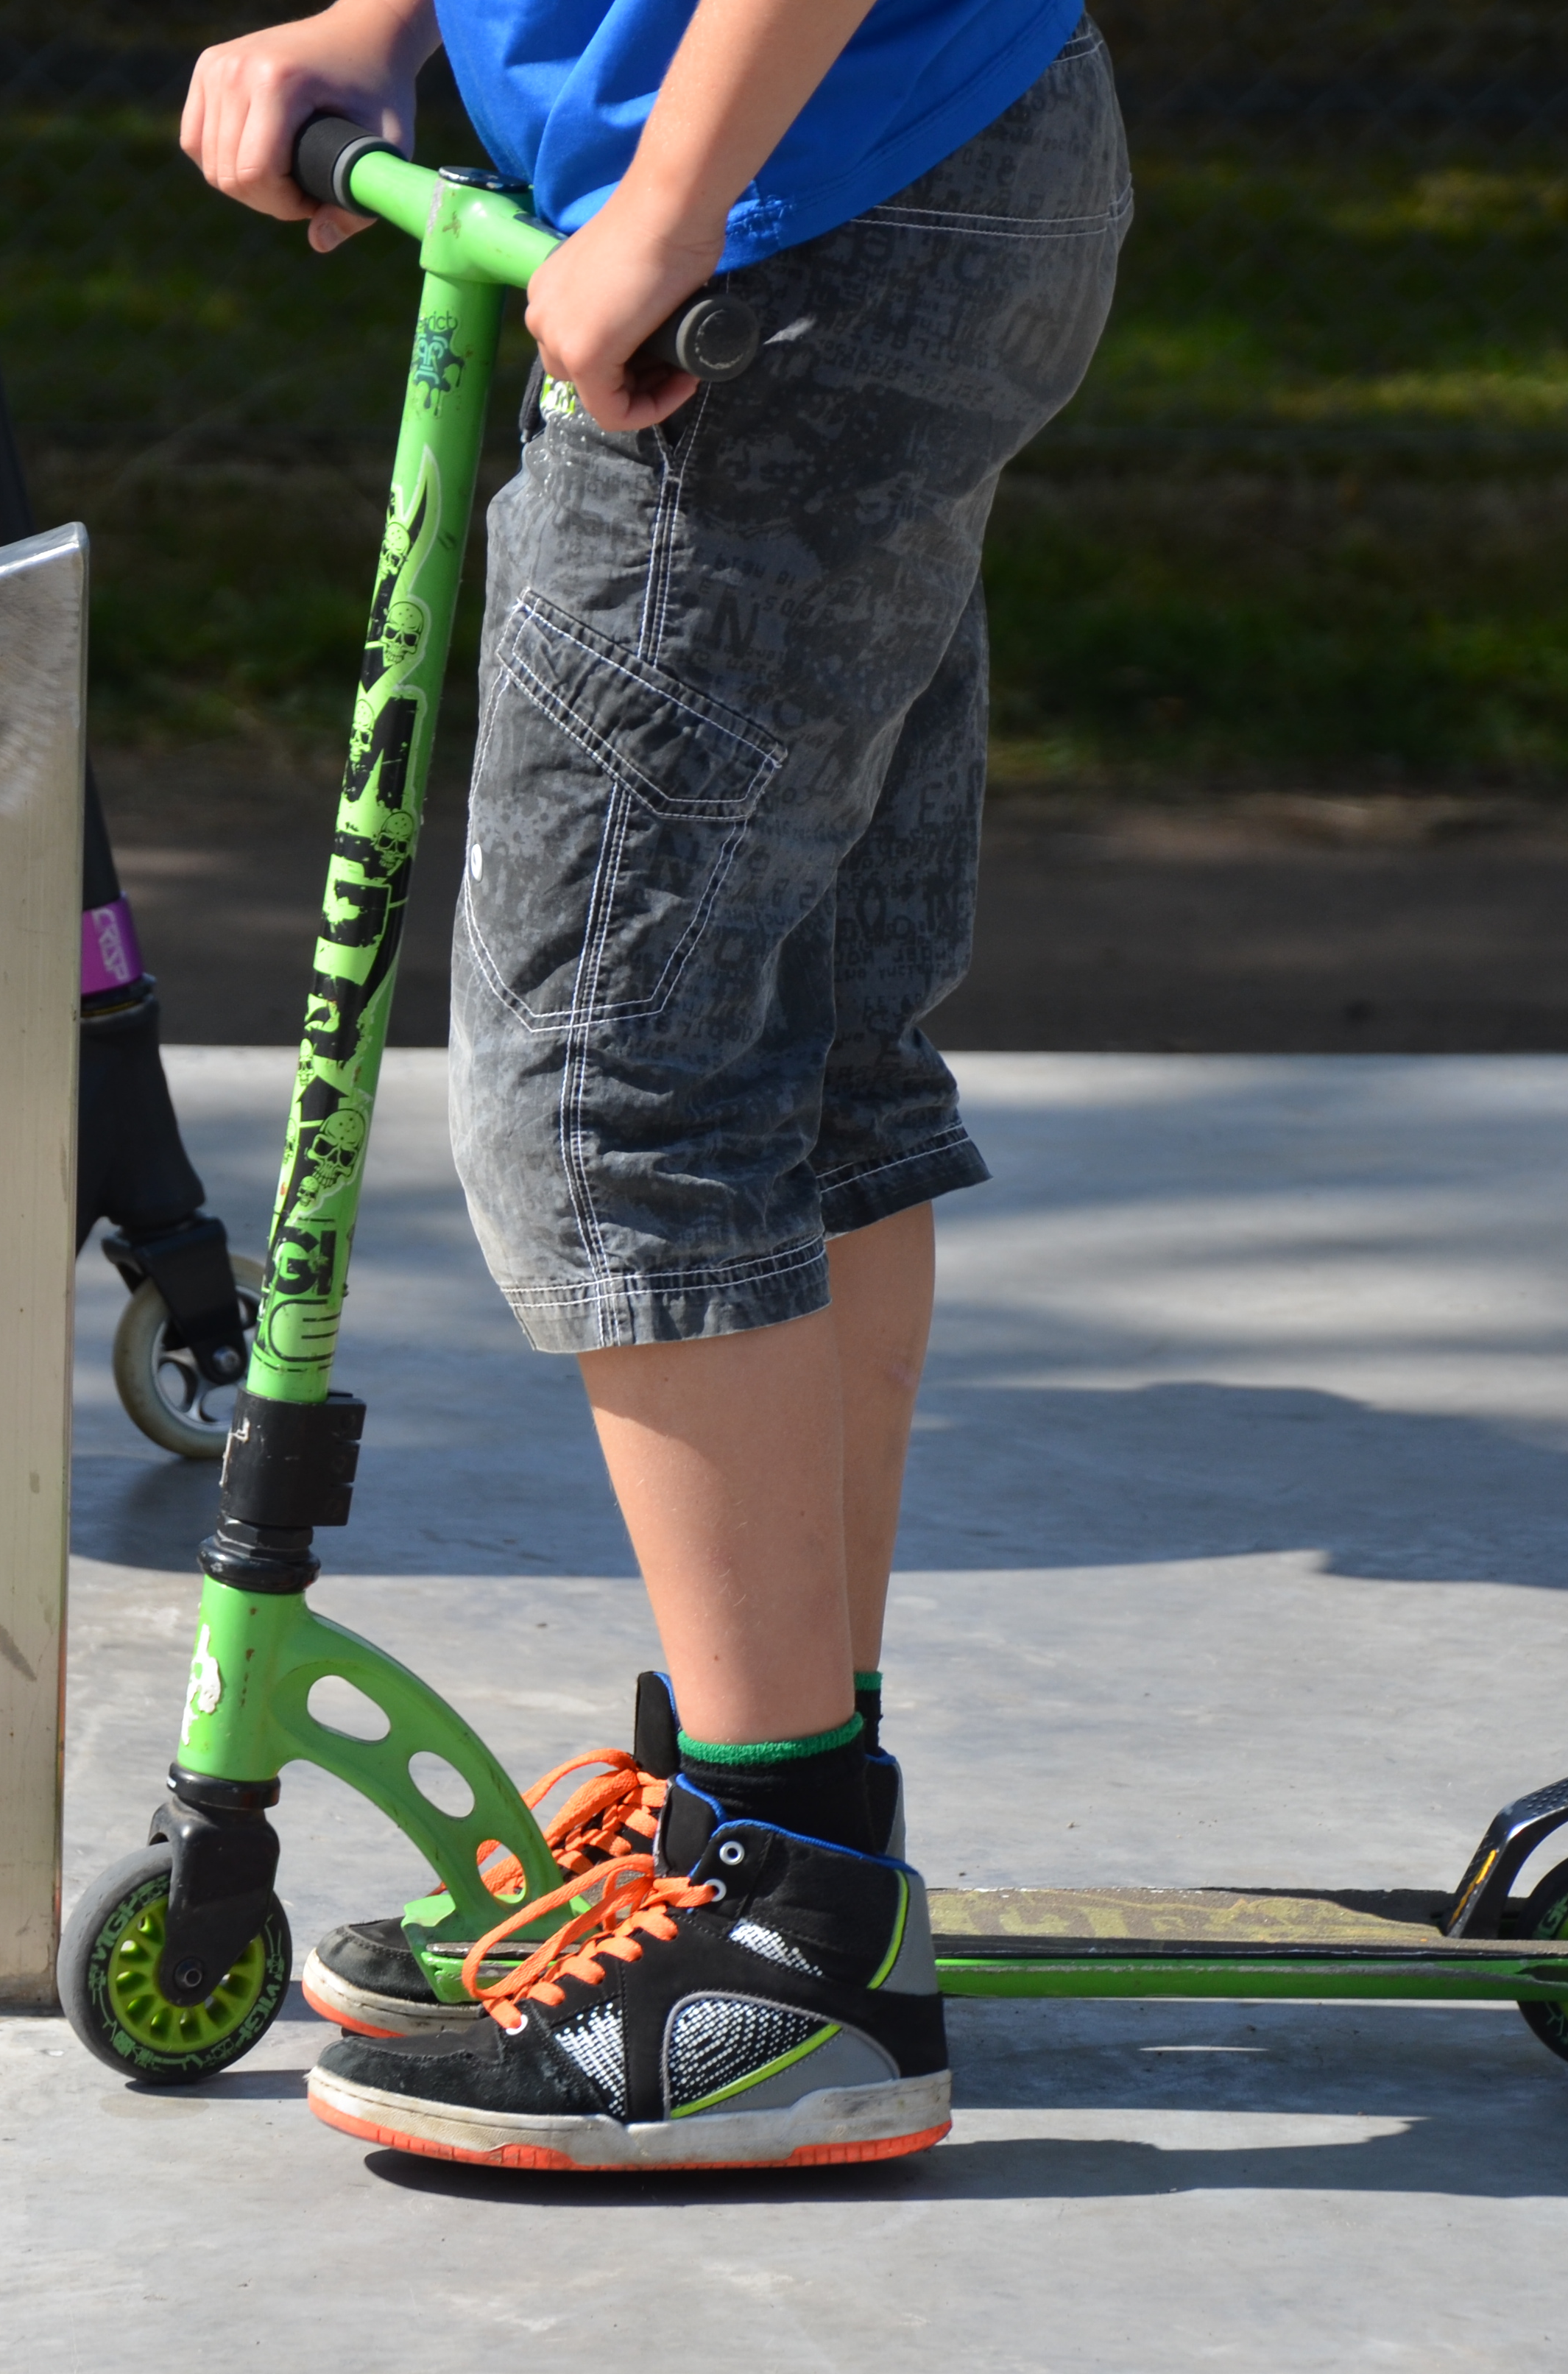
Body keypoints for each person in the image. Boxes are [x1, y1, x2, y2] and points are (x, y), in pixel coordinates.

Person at [182, 0, 1126, 2168]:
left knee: (616, 1077)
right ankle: (782, 1817)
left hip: (780, 228)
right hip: (876, 180)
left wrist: (674, 198)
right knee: (800, 1050)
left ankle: (784, 1938)